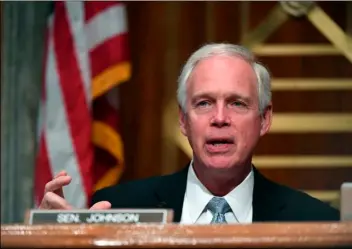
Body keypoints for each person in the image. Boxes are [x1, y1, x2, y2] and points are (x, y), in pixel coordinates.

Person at [39, 43, 340, 223]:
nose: (219, 118)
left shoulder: (317, 221)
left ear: (264, 119)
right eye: (204, 103)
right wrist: (52, 243)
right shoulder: (115, 208)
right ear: (183, 120)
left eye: (237, 103)